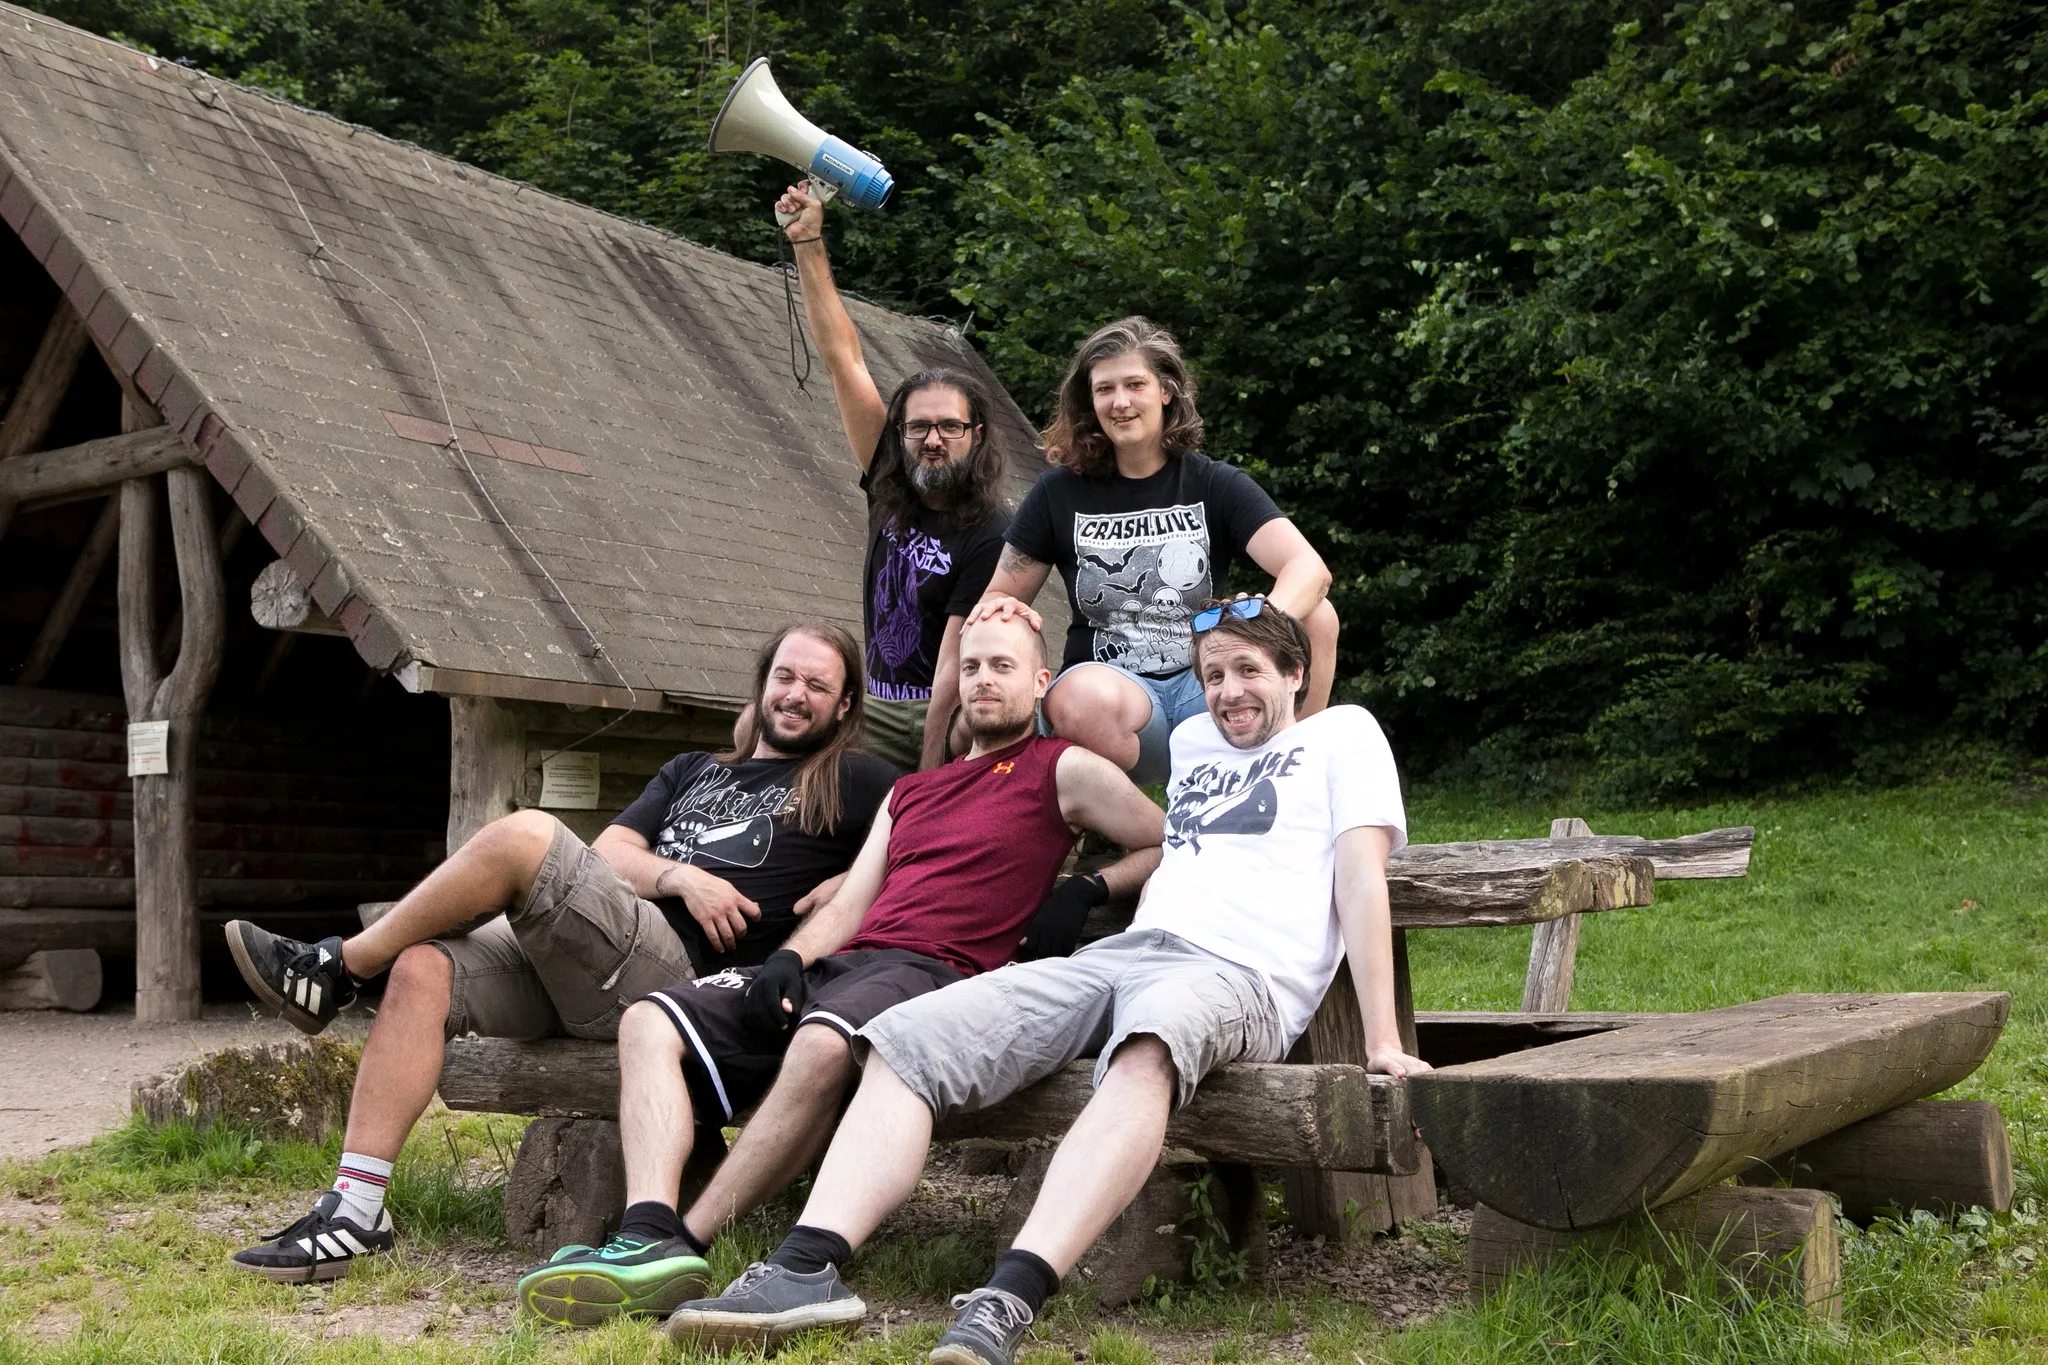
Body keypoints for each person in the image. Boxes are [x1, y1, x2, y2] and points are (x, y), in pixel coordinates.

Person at [666, 598, 1430, 1361]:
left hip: (1240, 974)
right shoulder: (1196, 739)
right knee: (903, 1039)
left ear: (1297, 673)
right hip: (1125, 953)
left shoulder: (1344, 736)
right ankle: (805, 1268)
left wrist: (1383, 1040)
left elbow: (1361, 881)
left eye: (1249, 672)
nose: (1228, 690)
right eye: (1214, 675)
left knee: (1145, 1046)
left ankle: (1007, 1299)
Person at [515, 610, 1166, 1328]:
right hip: (851, 963)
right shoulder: (910, 793)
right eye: (973, 666)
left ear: (1040, 683)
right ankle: (645, 1226)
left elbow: (1170, 839)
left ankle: (686, 1239)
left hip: (938, 972)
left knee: (823, 1041)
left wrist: (1088, 888)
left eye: (1003, 667)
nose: (984, 680)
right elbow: (855, 900)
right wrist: (792, 956)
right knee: (648, 1019)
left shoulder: (1061, 767)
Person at [220, 622, 897, 1283]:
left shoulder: (855, 780)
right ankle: (357, 1211)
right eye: (785, 675)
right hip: (598, 949)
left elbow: (913, 844)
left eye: (817, 683)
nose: (795, 692)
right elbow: (610, 855)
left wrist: (848, 881)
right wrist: (680, 876)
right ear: (763, 684)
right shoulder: (692, 769)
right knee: (424, 967)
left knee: (525, 835)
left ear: (843, 706)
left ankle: (338, 966)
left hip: (680, 979)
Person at [979, 316, 1340, 784]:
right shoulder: (1057, 493)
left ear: (1166, 391)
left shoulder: (1213, 482)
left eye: (1135, 384)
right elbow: (995, 601)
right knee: (1079, 697)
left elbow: (1309, 568)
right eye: (1105, 389)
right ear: (1090, 401)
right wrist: (1009, 626)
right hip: (1115, 698)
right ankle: (1116, 824)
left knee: (1319, 617)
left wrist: (1254, 628)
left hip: (1210, 683)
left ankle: (1294, 778)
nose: (1121, 402)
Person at [770, 180, 1010, 772]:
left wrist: (927, 774)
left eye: (949, 428)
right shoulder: (888, 481)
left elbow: (959, 655)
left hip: (948, 710)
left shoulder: (992, 530)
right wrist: (808, 242)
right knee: (760, 720)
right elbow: (842, 358)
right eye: (918, 427)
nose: (932, 439)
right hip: (874, 704)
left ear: (976, 435)